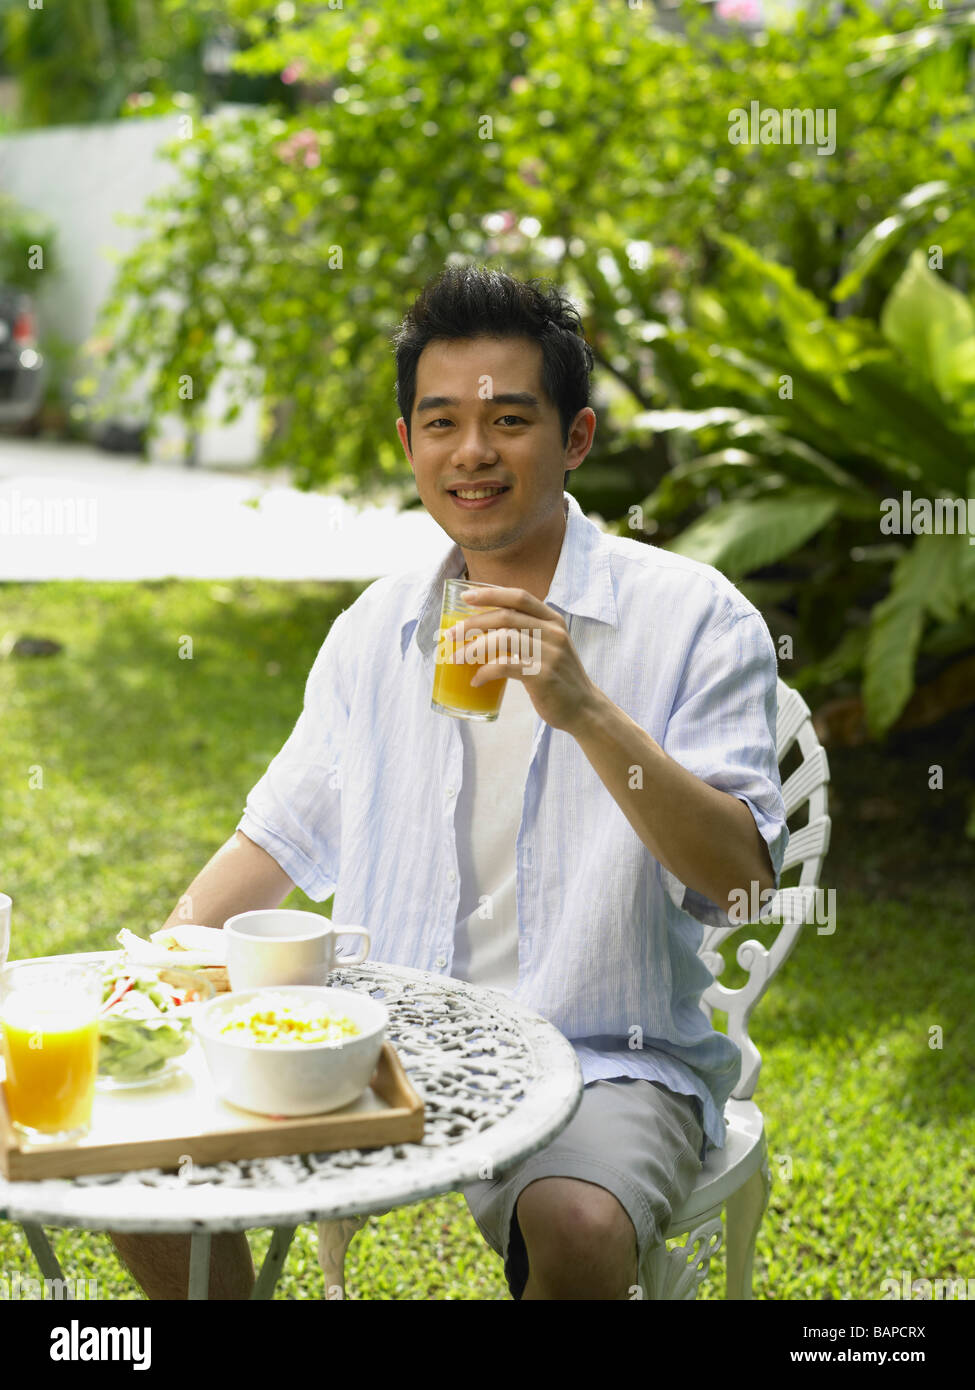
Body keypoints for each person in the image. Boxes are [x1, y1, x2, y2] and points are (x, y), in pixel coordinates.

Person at [110, 264, 787, 1300]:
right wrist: (157, 972)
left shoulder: (697, 618)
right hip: (382, 1042)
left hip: (603, 1051)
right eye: (441, 423)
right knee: (141, 1155)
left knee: (577, 1219)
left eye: (510, 419)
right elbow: (278, 841)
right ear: (409, 446)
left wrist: (589, 711)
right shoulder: (375, 631)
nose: (472, 452)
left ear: (576, 440)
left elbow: (741, 883)